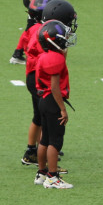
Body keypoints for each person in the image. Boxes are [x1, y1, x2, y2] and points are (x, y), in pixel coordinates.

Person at [34, 19, 74, 189]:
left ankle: (42, 173)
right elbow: (55, 87)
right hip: (52, 101)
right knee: (55, 141)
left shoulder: (45, 55)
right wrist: (63, 109)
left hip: (44, 100)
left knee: (45, 139)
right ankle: (52, 177)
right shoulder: (54, 59)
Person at [18, 0, 54, 164]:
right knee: (43, 116)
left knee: (38, 116)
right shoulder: (39, 31)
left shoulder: (31, 28)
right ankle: (37, 149)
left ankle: (35, 148)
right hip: (38, 76)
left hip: (33, 75)